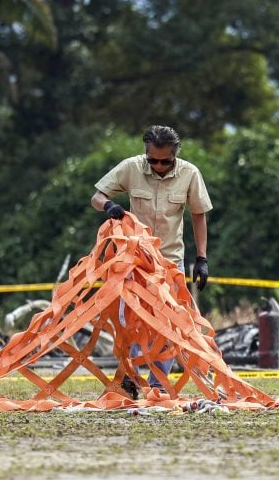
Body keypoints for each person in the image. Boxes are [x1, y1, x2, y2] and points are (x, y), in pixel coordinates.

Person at [90, 125, 212, 395]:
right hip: (135, 260)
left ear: (175, 156)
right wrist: (109, 206)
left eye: (165, 161)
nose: (158, 166)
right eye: (153, 160)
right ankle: (129, 379)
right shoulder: (131, 168)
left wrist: (202, 258)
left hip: (169, 262)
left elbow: (199, 214)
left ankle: (159, 386)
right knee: (130, 322)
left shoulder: (190, 174)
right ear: (146, 154)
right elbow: (97, 196)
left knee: (167, 324)